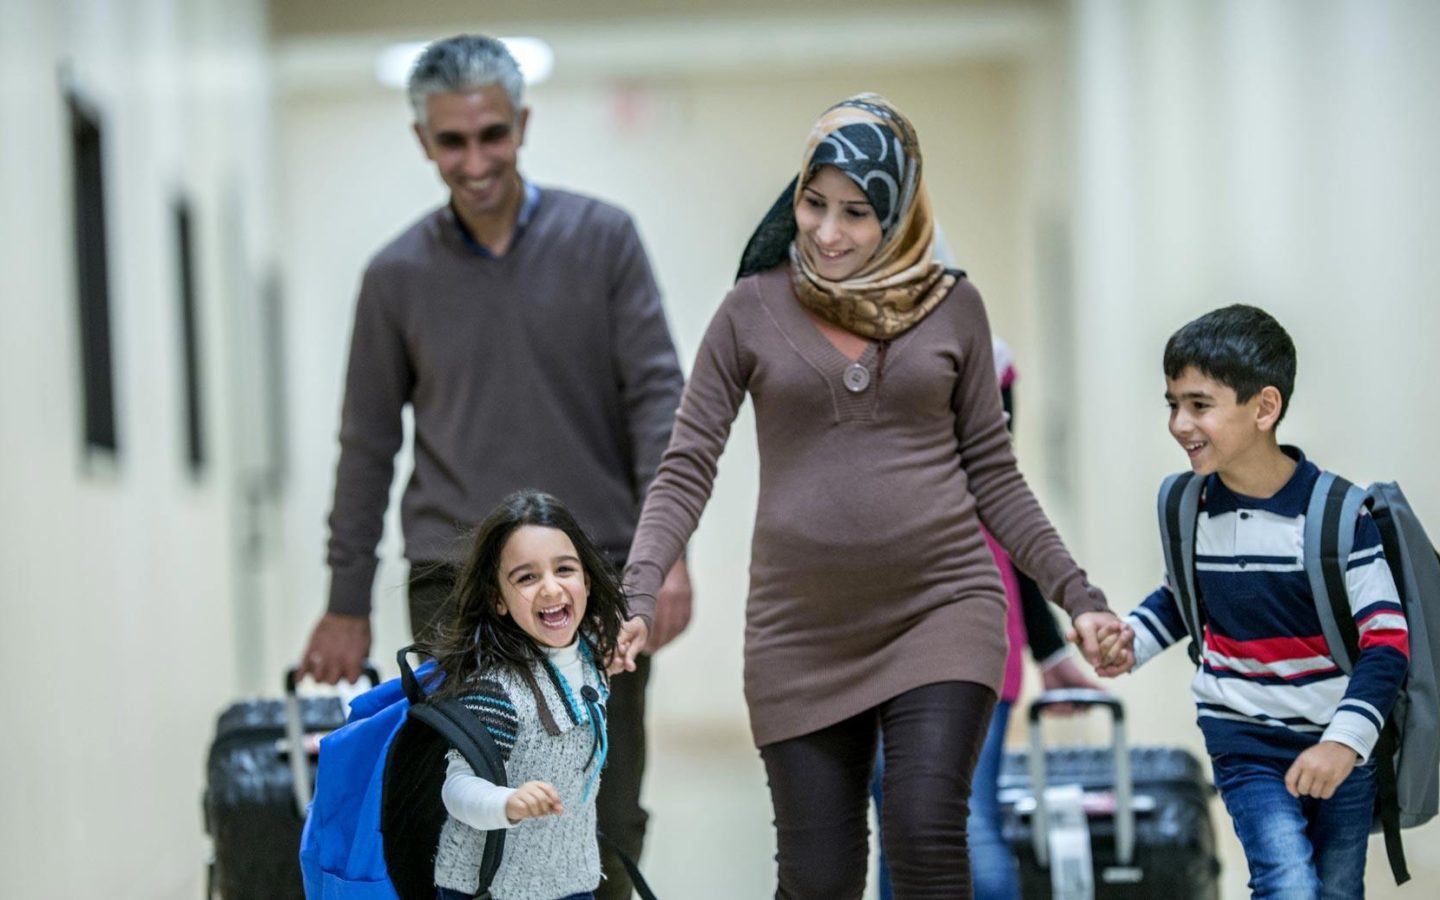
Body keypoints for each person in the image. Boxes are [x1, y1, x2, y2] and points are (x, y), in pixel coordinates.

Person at [615, 93, 1121, 898]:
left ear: (900, 210)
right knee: (819, 879)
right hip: (800, 628)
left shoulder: (954, 308)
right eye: (813, 203)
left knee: (926, 834)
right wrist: (639, 588)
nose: (826, 231)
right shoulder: (751, 309)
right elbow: (687, 462)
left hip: (942, 608)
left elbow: (994, 474)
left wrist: (1078, 598)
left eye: (856, 212)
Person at [294, 34, 691, 899]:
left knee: (599, 812)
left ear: (523, 124)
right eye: (451, 141)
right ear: (423, 141)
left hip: (592, 580)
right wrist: (344, 602)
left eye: (492, 135)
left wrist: (669, 555)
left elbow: (660, 404)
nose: (475, 161)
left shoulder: (605, 240)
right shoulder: (395, 277)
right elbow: (367, 446)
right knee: (460, 822)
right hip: (455, 586)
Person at [1096, 304, 1410, 898]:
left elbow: (1387, 641)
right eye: (1172, 403)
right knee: (1287, 882)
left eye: (1199, 404)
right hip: (1243, 739)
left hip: (1337, 744)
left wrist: (1344, 743)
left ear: (1265, 407)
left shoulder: (1340, 516)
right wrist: (1131, 640)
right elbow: (1182, 597)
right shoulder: (1185, 504)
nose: (1178, 424)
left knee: (1337, 889)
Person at [871, 335, 1102, 900]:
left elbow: (1000, 504)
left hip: (943, 628)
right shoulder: (977, 355)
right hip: (896, 633)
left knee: (954, 825)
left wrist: (1049, 646)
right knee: (931, 827)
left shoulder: (980, 358)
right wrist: (1049, 650)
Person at [421, 490, 625, 900]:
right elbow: (456, 789)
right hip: (489, 889)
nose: (550, 588)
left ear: (586, 578)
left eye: (564, 569)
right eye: (526, 577)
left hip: (570, 882)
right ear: (498, 599)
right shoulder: (497, 691)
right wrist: (506, 802)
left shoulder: (589, 659)